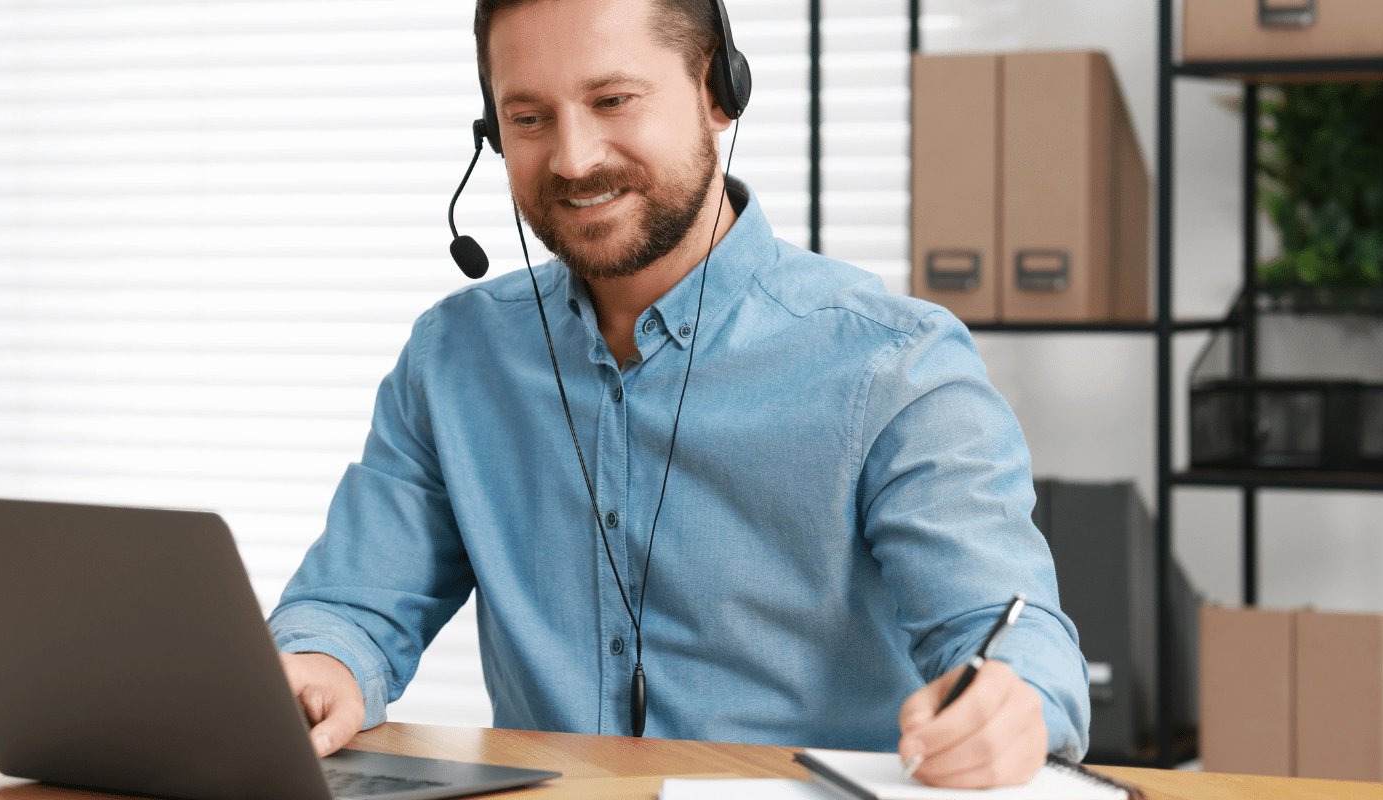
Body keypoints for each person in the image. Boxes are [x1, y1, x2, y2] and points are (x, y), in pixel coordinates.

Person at [268, 0, 1089, 789]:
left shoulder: (896, 367)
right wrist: (318, 667)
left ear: (717, 92)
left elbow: (1011, 643)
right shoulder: (453, 359)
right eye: (528, 117)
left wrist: (1007, 709)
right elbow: (351, 609)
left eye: (613, 99)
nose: (574, 157)